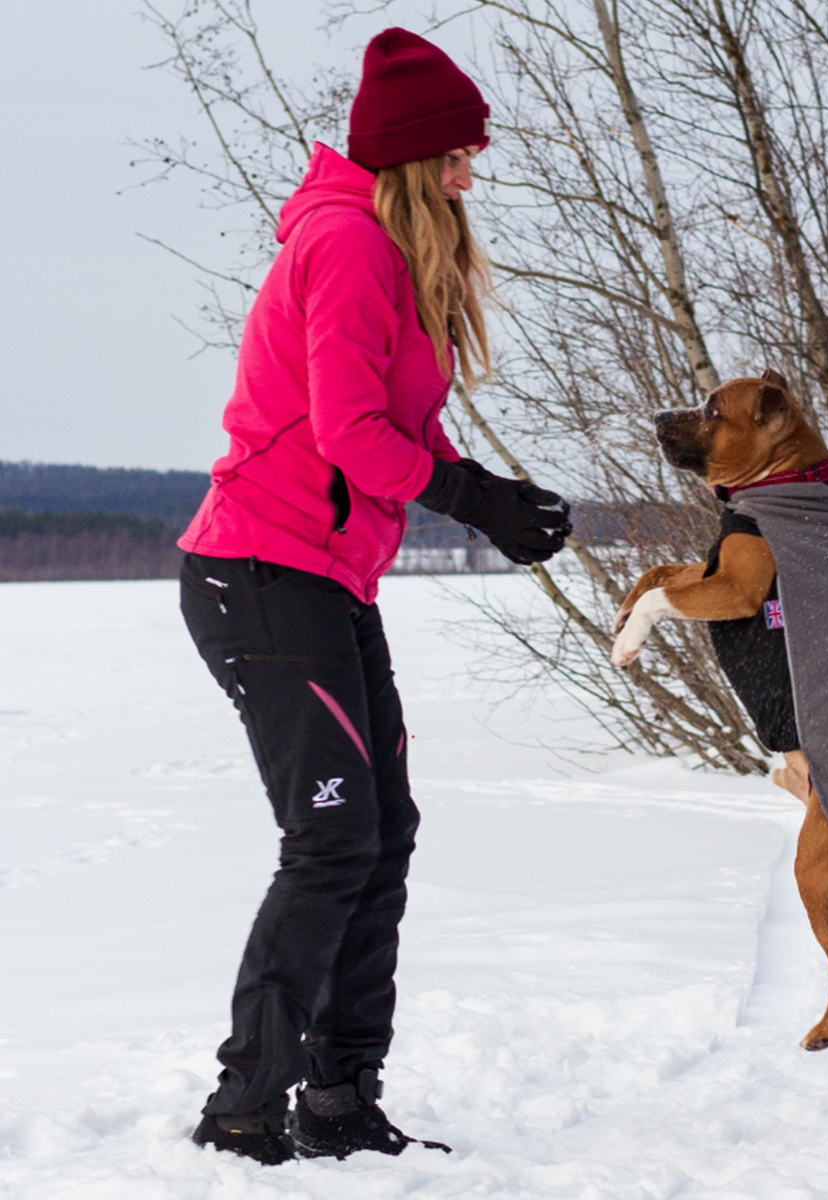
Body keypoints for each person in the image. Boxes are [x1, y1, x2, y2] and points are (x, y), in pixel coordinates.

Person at [178, 28, 570, 1165]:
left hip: (325, 576)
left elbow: (400, 419)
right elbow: (350, 435)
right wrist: (467, 497)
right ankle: (246, 1106)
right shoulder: (347, 244)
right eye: (456, 157)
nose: (469, 175)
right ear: (410, 160)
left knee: (381, 832)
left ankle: (340, 1096)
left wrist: (488, 491)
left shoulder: (391, 254)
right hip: (258, 570)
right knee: (334, 839)